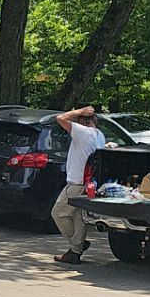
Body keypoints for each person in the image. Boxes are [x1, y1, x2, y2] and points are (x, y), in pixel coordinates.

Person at [50, 104, 106, 264]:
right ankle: (74, 253)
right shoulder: (99, 135)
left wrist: (78, 112)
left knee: (59, 212)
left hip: (77, 182)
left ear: (82, 121)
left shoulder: (83, 132)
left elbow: (60, 118)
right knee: (76, 216)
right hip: (88, 182)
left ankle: (77, 245)